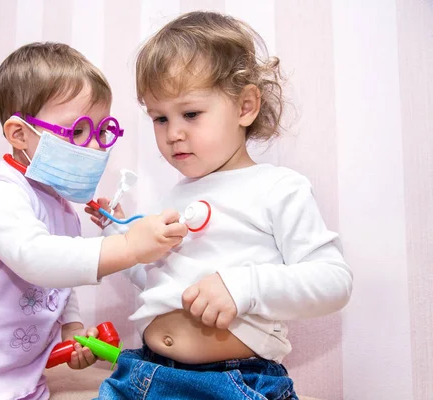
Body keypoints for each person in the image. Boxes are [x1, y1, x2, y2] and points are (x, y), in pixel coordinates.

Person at [0, 42, 188, 400]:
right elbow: (38, 259)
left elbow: (59, 282)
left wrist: (72, 329)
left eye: (101, 131)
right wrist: (128, 246)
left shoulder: (61, 208)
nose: (95, 147)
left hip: (20, 376)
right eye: (78, 131)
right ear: (19, 134)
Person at [86, 11, 353, 400]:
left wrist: (242, 285)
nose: (173, 133)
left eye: (190, 114)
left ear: (245, 107)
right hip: (143, 371)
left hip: (232, 381)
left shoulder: (277, 187)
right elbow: (161, 284)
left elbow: (334, 282)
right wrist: (122, 234)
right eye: (160, 118)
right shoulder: (176, 195)